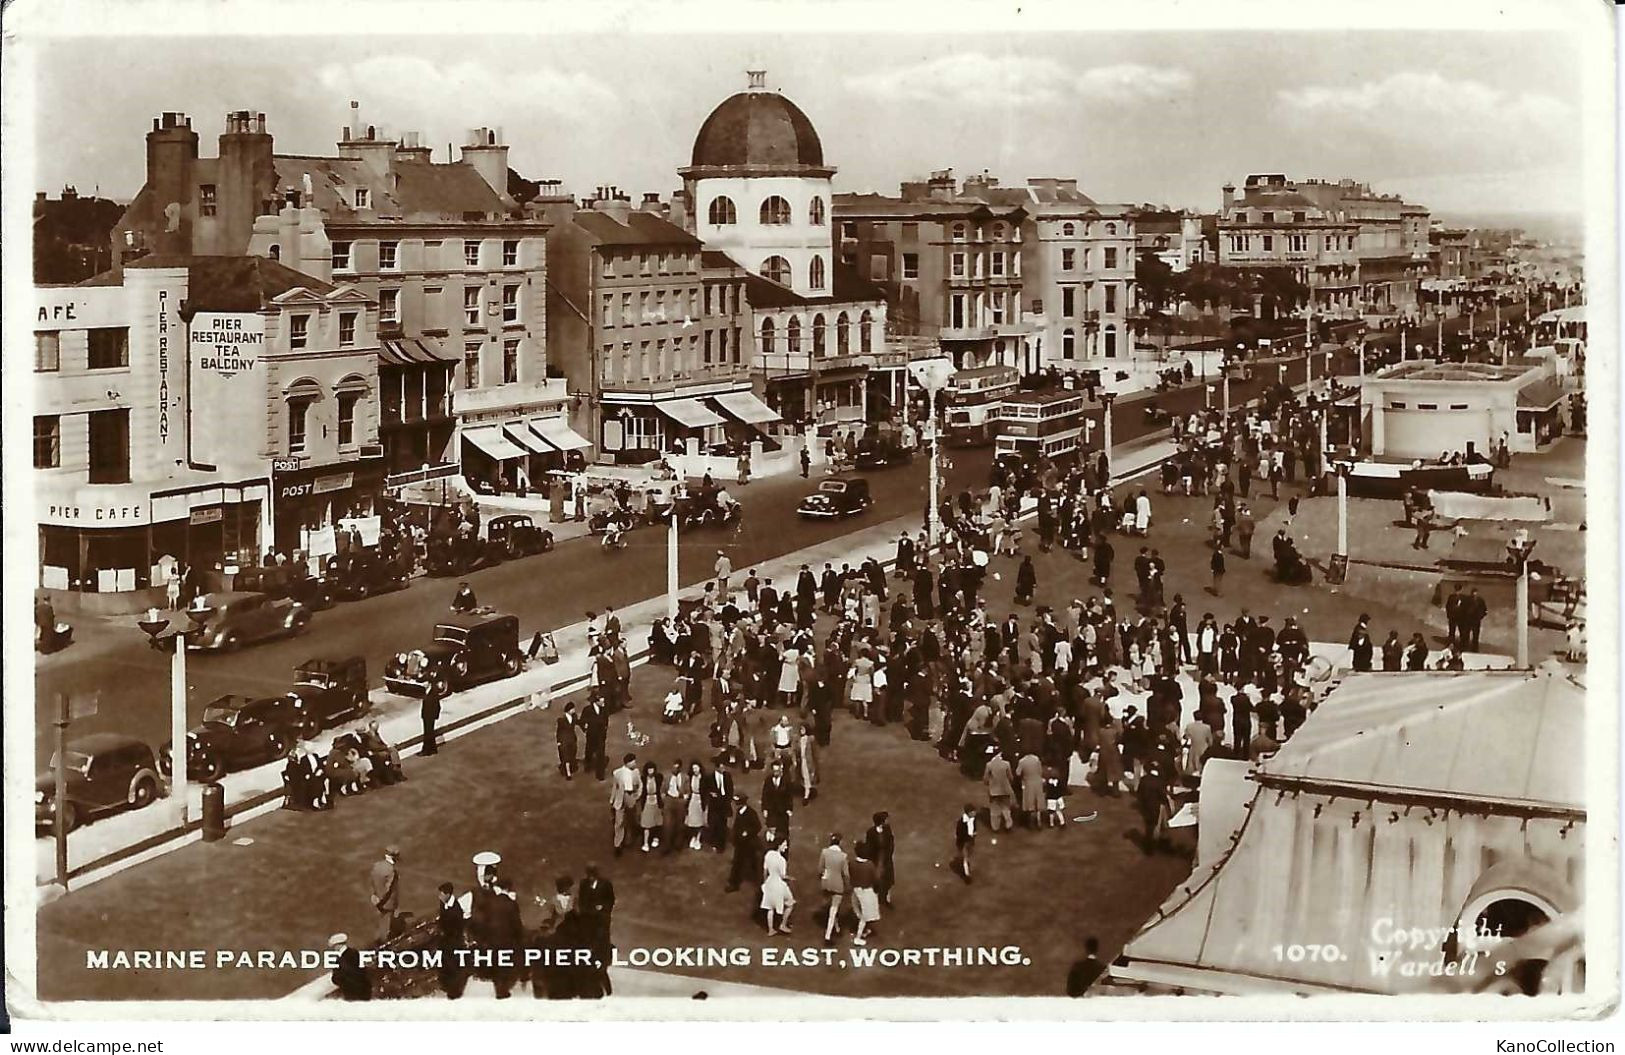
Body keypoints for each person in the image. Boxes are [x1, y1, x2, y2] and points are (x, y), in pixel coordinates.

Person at [435, 882, 467, 999]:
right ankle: (448, 987)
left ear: (448, 894)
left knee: (452, 966)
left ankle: (454, 991)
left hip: (453, 943)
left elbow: (456, 929)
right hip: (446, 942)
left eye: (441, 894)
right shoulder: (444, 904)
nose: (439, 896)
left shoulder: (456, 910)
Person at [726, 794, 764, 894]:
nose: (736, 805)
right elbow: (736, 826)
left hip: (749, 843)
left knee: (753, 863)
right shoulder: (739, 812)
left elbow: (758, 826)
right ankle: (734, 884)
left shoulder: (751, 813)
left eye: (737, 803)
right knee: (737, 863)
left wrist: (748, 832)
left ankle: (760, 882)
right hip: (740, 844)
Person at [859, 812, 897, 907]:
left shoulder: (887, 829)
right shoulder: (871, 832)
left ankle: (886, 899)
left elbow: (891, 843)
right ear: (881, 821)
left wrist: (888, 854)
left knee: (888, 879)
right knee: (876, 879)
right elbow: (869, 846)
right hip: (876, 858)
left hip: (886, 857)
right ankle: (875, 899)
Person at [818, 834, 850, 944]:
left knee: (831, 907)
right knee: (834, 909)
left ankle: (836, 927)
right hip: (837, 885)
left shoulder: (824, 852)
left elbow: (820, 869)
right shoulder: (843, 856)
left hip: (826, 883)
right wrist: (847, 885)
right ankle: (828, 934)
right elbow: (845, 874)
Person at [609, 753, 642, 856]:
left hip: (631, 796)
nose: (635, 763)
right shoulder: (617, 773)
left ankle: (632, 837)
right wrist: (612, 800)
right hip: (620, 798)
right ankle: (617, 845)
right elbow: (615, 787)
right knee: (619, 822)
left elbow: (640, 785)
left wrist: (637, 796)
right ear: (628, 763)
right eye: (633, 762)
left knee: (632, 819)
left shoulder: (636, 772)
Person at [760, 837, 795, 936]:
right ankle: (783, 925)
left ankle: (771, 930)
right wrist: (790, 878)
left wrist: (764, 883)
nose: (786, 846)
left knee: (770, 908)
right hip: (779, 885)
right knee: (790, 904)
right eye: (784, 844)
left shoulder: (768, 854)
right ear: (779, 845)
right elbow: (783, 876)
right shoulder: (782, 860)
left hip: (769, 883)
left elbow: (765, 870)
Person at [368, 845, 401, 945]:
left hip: (376, 899)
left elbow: (372, 882)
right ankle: (383, 945)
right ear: (393, 856)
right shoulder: (391, 870)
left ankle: (376, 940)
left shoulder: (376, 865)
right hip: (387, 903)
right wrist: (381, 901)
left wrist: (374, 896)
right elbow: (388, 889)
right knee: (385, 925)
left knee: (379, 922)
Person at [849, 845, 881, 946]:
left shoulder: (851, 863)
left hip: (855, 890)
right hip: (866, 891)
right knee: (866, 915)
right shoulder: (869, 865)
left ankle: (863, 929)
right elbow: (875, 879)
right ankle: (858, 937)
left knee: (858, 910)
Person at [330, 934, 370, 1000]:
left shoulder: (348, 955)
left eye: (334, 946)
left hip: (354, 990)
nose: (334, 948)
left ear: (338, 945)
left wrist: (338, 979)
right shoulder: (351, 953)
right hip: (355, 989)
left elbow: (349, 973)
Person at [636, 760, 664, 853]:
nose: (651, 771)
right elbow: (640, 791)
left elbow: (661, 790)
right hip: (647, 802)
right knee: (646, 824)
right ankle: (645, 843)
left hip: (656, 801)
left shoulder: (658, 777)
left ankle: (656, 838)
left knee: (657, 822)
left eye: (652, 769)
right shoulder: (643, 779)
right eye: (649, 769)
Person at [984, 751, 1015, 832]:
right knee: (1006, 808)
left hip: (994, 790)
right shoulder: (1006, 764)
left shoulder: (989, 765)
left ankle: (995, 827)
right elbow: (1010, 777)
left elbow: (985, 779)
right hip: (1005, 789)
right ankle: (1008, 824)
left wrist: (988, 783)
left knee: (994, 809)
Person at [581, 694, 609, 780]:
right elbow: (582, 721)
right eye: (601, 701)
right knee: (589, 751)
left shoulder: (604, 709)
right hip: (591, 736)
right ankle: (588, 766)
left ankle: (600, 774)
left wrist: (604, 730)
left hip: (601, 736)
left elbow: (606, 720)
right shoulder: (587, 710)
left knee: (601, 754)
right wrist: (585, 729)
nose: (603, 703)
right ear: (596, 702)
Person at [952, 803, 977, 884]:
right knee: (965, 859)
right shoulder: (961, 822)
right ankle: (967, 876)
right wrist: (967, 839)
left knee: (969, 856)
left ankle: (967, 869)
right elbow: (959, 835)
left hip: (970, 841)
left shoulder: (973, 818)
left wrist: (974, 833)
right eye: (973, 812)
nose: (975, 813)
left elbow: (973, 826)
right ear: (968, 813)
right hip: (963, 843)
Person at [556, 703, 579, 780]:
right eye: (572, 709)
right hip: (564, 740)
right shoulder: (561, 720)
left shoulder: (574, 717)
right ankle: (568, 774)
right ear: (569, 710)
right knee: (566, 757)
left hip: (572, 739)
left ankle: (571, 768)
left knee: (572, 753)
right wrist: (559, 741)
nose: (574, 710)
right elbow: (558, 731)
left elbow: (578, 722)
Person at [420, 687, 442, 757]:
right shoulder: (426, 692)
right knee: (430, 732)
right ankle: (433, 748)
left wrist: (435, 716)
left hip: (430, 716)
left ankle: (426, 750)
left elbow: (438, 705)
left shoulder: (433, 692)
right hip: (426, 716)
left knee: (428, 733)